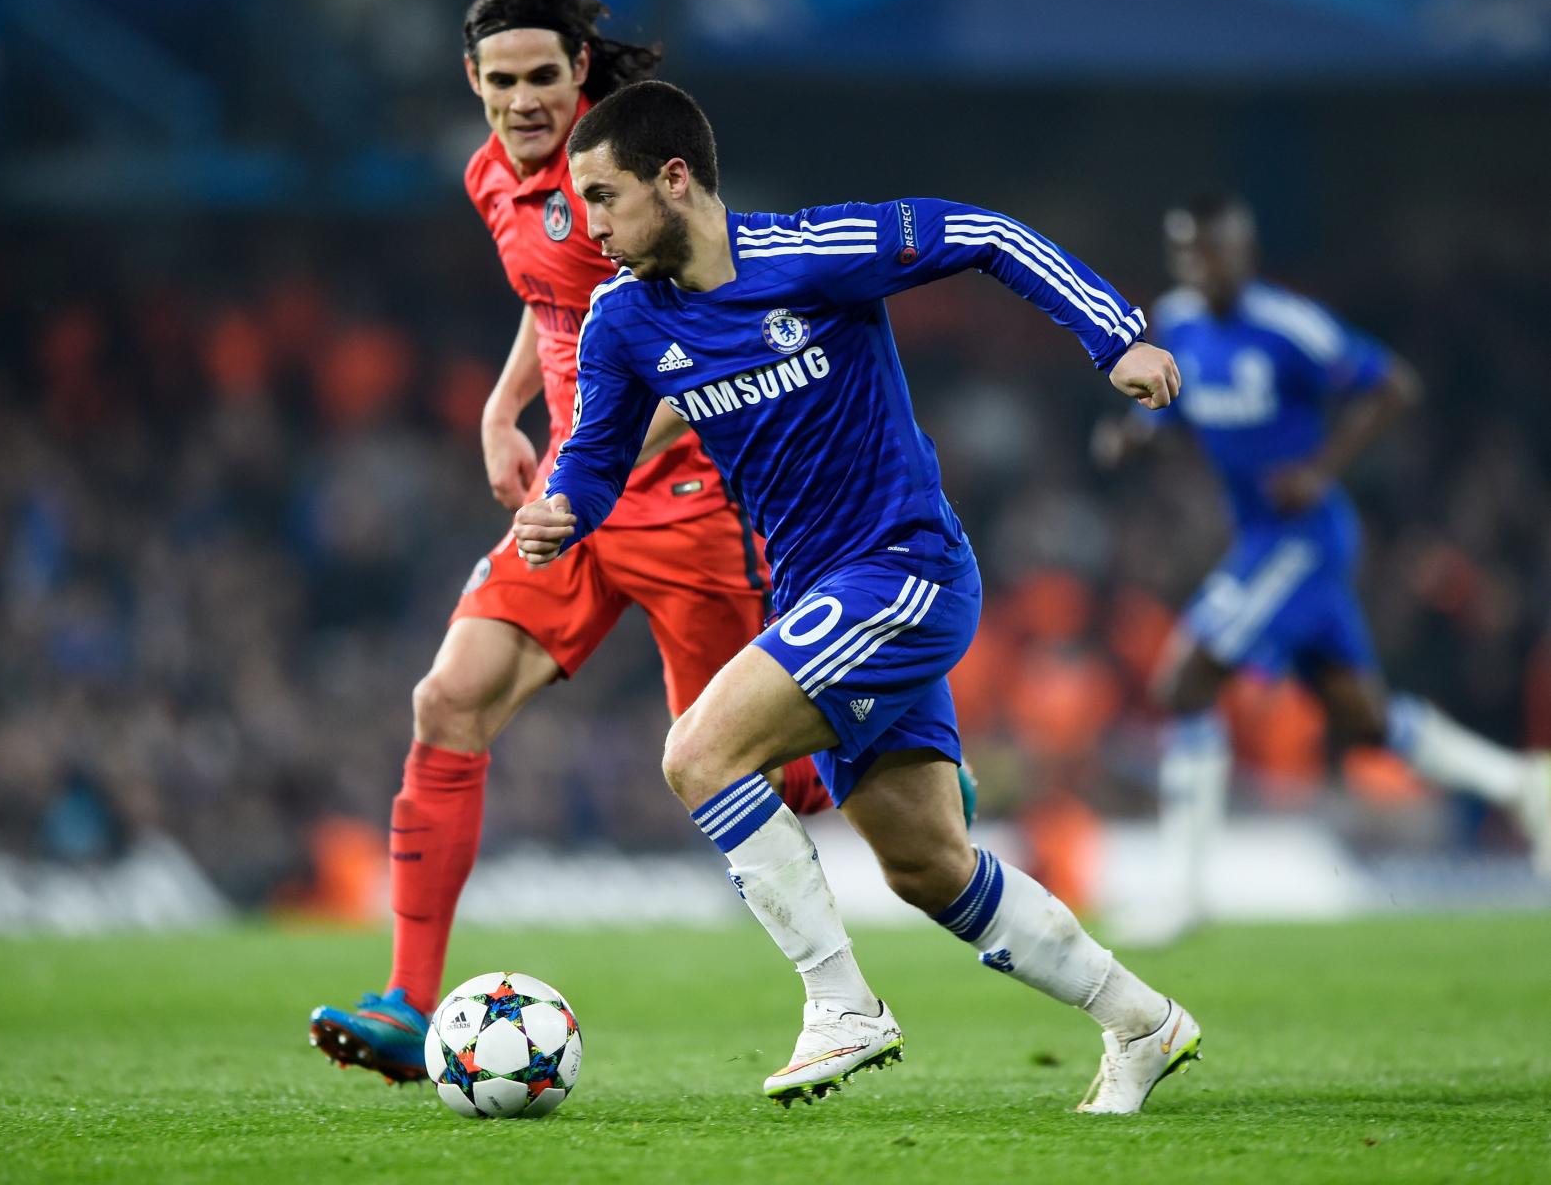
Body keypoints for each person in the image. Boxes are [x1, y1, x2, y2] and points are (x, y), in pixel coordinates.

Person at [512, 79, 1199, 1114]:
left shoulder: (810, 252)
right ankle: (1141, 1020)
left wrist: (1115, 337)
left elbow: (981, 233)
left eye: (604, 197)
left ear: (674, 178)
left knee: (695, 753)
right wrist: (561, 507)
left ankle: (840, 1003)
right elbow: (597, 453)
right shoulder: (621, 321)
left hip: (902, 567)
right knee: (927, 865)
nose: (591, 224)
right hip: (810, 598)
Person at [307, 0, 843, 1083]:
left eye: (542, 75)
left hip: (693, 497)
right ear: (471, 80)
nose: (521, 99)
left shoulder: (628, 181)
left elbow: (695, 345)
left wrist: (585, 468)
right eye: (498, 79)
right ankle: (410, 1002)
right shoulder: (488, 178)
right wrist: (509, 406)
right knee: (448, 698)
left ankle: (879, 749)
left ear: (579, 71)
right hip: (575, 500)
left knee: (755, 766)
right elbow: (550, 291)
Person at [1094, 193, 1551, 943]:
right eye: (1186, 252)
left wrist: (1320, 467)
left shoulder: (1288, 326)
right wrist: (1135, 436)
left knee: (1186, 679)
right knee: (1360, 717)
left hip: (1302, 536)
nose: (1199, 265)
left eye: (1211, 249)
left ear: (1244, 251)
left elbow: (1393, 385)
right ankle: (1521, 783)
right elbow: (1171, 410)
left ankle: (1184, 892)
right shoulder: (1175, 323)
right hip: (1263, 539)